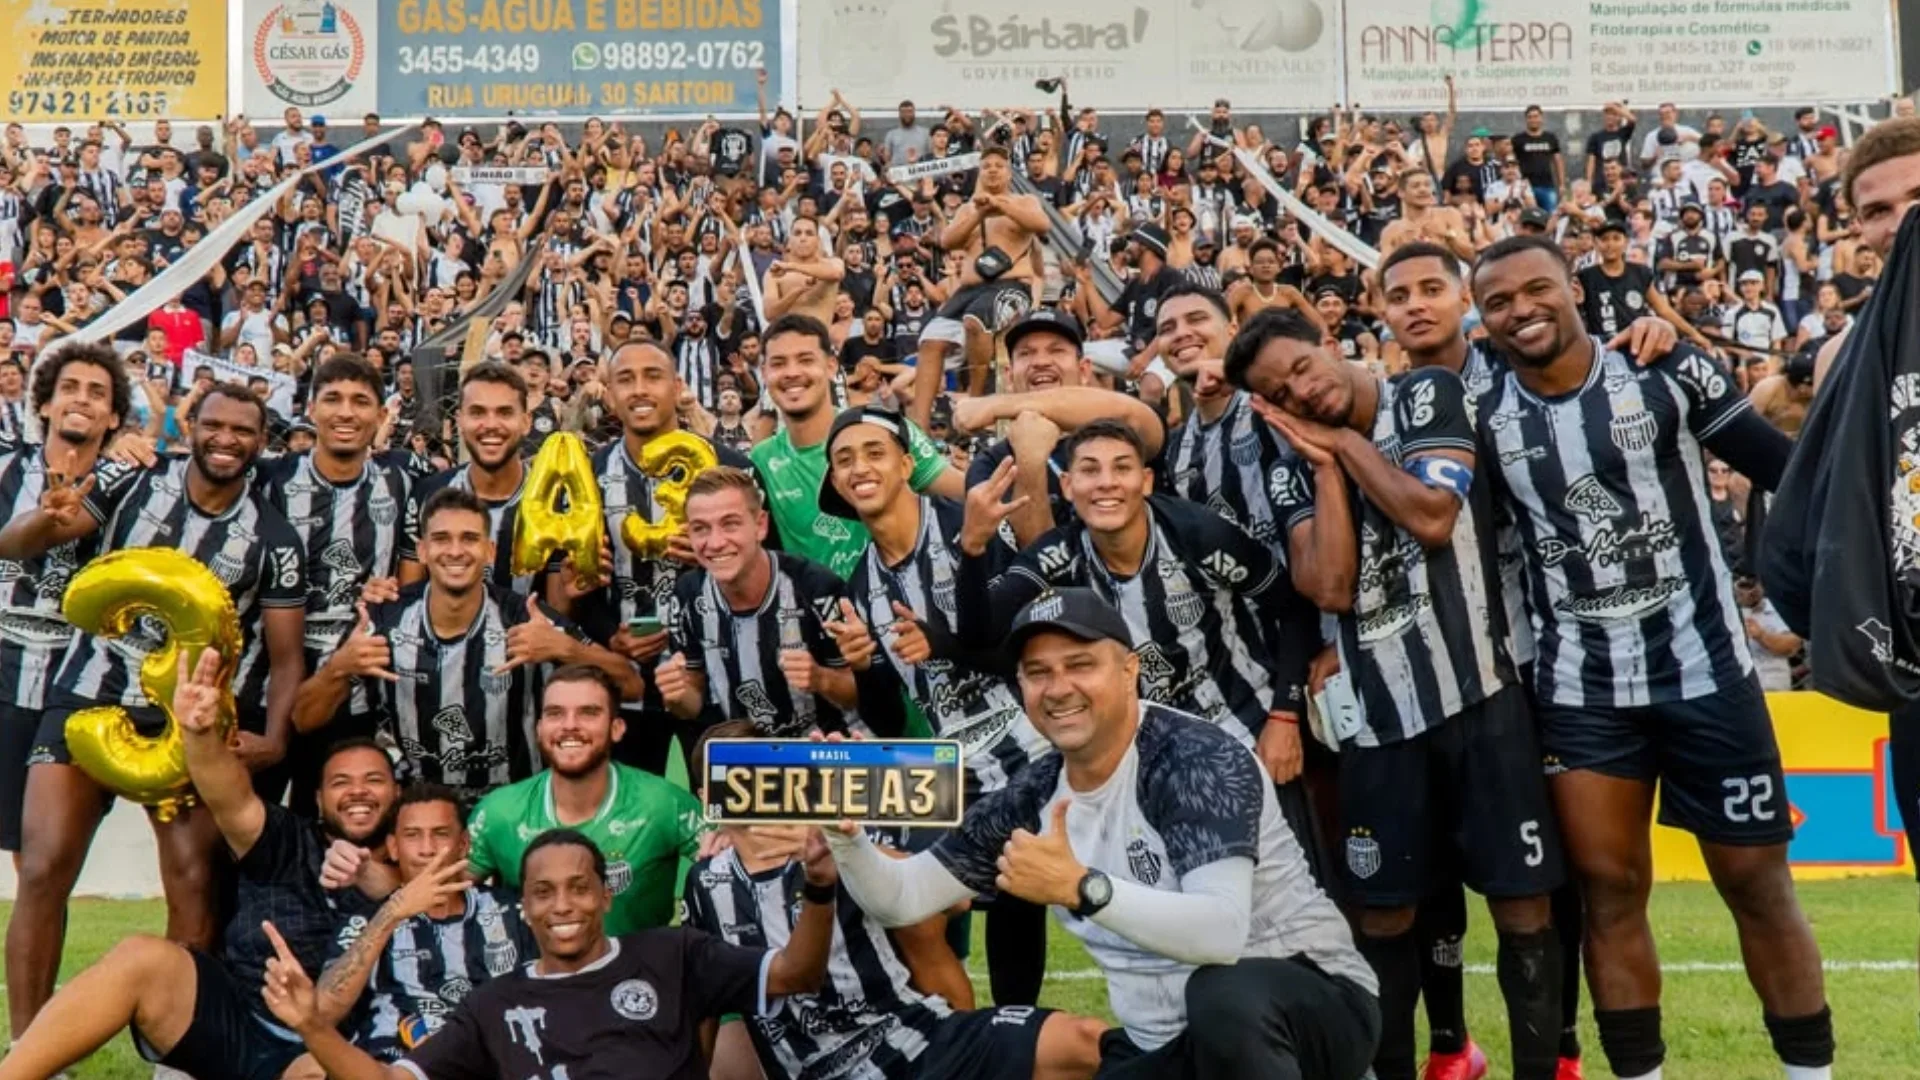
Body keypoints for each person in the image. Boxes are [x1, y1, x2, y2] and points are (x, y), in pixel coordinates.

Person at [1469, 235, 1831, 1080]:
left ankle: (1810, 1075)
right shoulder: (1482, 416)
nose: (1520, 310)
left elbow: (1787, 471)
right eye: (1498, 302)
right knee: (1610, 893)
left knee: (1756, 884)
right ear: (1482, 321)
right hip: (1579, 693)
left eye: (1536, 290)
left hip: (1709, 675)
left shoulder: (1667, 371)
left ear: (1575, 290)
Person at [827, 588, 1381, 1079]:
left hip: (1311, 1005)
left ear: (1128, 670)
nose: (1059, 687)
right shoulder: (1034, 791)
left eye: (1080, 664)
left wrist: (1081, 887)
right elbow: (903, 899)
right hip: (1166, 1044)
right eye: (1038, 672)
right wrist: (847, 840)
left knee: (1221, 995)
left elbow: (1221, 934)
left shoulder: (1195, 755)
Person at [1222, 305, 1566, 1080]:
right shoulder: (1289, 470)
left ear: (1330, 344)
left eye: (1302, 368)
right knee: (1384, 915)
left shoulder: (1426, 397)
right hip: (1378, 727)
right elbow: (1333, 588)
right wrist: (1321, 467)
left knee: (1522, 909)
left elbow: (1433, 516)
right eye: (1280, 392)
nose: (1303, 394)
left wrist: (1343, 444)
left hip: (1483, 699)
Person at [0, 382, 307, 1038]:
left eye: (243, 431)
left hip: (189, 725)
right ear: (189, 425)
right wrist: (48, 518)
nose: (226, 440)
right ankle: (30, 1048)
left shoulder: (274, 538)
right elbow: (18, 541)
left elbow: (285, 659)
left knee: (195, 885)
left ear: (262, 441)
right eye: (214, 425)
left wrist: (275, 738)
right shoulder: (133, 478)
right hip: (89, 693)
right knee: (46, 864)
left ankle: (180, 1051)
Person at [0, 646, 396, 1080]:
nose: (358, 792)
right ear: (319, 799)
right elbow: (229, 795)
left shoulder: (413, 860)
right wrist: (199, 734)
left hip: (334, 1047)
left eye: (373, 781)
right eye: (341, 783)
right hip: (241, 1021)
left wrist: (380, 881)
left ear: (396, 794)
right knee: (142, 957)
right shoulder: (287, 838)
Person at [960, 420, 1321, 876]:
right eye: (1089, 471)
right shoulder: (1058, 555)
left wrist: (1285, 718)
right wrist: (972, 548)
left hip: (1243, 735)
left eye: (1122, 468)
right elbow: (982, 633)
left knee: (1287, 899)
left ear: (1145, 481)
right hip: (1150, 762)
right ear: (1068, 486)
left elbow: (1294, 609)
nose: (1106, 482)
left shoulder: (1198, 535)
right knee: (1183, 918)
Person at [683, 718, 1106, 1080]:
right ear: (710, 798)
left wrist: (848, 845)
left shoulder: (838, 833)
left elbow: (952, 902)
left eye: (766, 768)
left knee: (1084, 1041)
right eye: (739, 774)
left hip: (912, 1033)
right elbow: (703, 995)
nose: (757, 784)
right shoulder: (707, 883)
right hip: (819, 1068)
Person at [262, 827, 838, 1080]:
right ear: (525, 910)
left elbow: (798, 972)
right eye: (543, 892)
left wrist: (818, 885)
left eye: (579, 887)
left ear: (605, 895)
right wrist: (315, 1028)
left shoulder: (671, 953)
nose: (563, 905)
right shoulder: (494, 1005)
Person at [817, 405, 1055, 1004]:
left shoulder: (968, 524)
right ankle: (966, 1040)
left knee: (1021, 893)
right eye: (844, 459)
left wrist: (945, 643)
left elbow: (1037, 648)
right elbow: (892, 718)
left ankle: (1017, 1027)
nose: (859, 468)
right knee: (920, 909)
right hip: (955, 766)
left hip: (1037, 745)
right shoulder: (858, 582)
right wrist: (866, 665)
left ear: (905, 463)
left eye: (873, 453)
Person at [295, 486, 643, 803]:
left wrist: (567, 649)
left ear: (489, 551)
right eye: (442, 539)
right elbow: (303, 720)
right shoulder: (384, 618)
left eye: (470, 539)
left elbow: (630, 685)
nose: (456, 551)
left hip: (513, 804)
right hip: (417, 807)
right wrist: (339, 668)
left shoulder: (524, 617)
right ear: (423, 551)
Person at [585, 339, 762, 776]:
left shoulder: (732, 467)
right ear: (608, 393)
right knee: (630, 823)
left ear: (678, 386)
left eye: (653, 376)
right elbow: (577, 584)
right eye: (625, 379)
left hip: (720, 676)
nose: (639, 390)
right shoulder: (590, 473)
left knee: (729, 816)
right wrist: (611, 637)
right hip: (626, 680)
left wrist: (717, 561)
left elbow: (768, 563)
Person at [253, 354, 421, 809]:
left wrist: (396, 596)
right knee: (242, 844)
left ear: (382, 415)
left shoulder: (403, 482)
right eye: (333, 399)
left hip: (351, 700)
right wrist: (126, 443)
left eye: (361, 401)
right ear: (310, 409)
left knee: (327, 835)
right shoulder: (266, 480)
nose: (346, 412)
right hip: (260, 693)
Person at [296, 783, 537, 1063]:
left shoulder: (512, 911)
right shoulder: (367, 921)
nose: (427, 849)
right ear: (393, 848)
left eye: (441, 834)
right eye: (412, 836)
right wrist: (393, 913)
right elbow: (323, 1011)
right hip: (391, 1064)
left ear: (464, 845)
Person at [0, 343, 128, 864]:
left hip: (77, 690)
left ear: (115, 415)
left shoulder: (133, 484)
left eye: (98, 393)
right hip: (4, 671)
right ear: (45, 405)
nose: (83, 400)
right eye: (69, 389)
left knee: (45, 862)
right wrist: (45, 519)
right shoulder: (6, 468)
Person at [465, 665, 703, 937]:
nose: (569, 726)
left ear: (616, 728)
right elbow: (447, 899)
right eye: (555, 714)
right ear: (540, 729)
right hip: (535, 975)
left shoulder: (663, 803)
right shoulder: (498, 812)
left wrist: (729, 845)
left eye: (588, 713)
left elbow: (734, 872)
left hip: (640, 975)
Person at [749, 314, 961, 578]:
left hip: (905, 606)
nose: (792, 373)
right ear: (765, 373)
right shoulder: (760, 459)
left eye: (805, 360)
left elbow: (967, 494)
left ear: (830, 366)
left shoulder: (885, 430)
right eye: (779, 363)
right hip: (825, 616)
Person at [657, 467, 860, 737]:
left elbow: (862, 693)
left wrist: (820, 678)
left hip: (823, 751)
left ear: (760, 525)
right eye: (700, 529)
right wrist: (676, 696)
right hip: (744, 759)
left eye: (730, 524)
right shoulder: (687, 594)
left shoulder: (816, 588)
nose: (715, 543)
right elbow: (691, 705)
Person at [955, 309, 1167, 547]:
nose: (1041, 362)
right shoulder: (991, 465)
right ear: (1010, 376)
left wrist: (996, 404)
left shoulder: (1120, 432)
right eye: (1026, 353)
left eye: (1057, 350)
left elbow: (1136, 417)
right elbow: (1032, 555)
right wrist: (1030, 462)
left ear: (1085, 370)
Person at [910, 145, 1050, 416]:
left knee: (976, 321)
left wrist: (1001, 205)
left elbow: (1041, 225)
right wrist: (979, 213)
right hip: (968, 289)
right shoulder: (967, 209)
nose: (993, 170)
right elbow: (949, 241)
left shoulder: (1025, 201)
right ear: (979, 174)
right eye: (986, 166)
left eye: (999, 165)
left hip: (1010, 286)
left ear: (1009, 172)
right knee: (930, 340)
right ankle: (919, 423)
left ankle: (975, 398)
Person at [404, 363, 534, 592]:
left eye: (504, 412)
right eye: (477, 413)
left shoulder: (552, 499)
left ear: (526, 422)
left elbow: (559, 613)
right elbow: (409, 598)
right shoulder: (429, 494)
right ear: (459, 421)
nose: (491, 425)